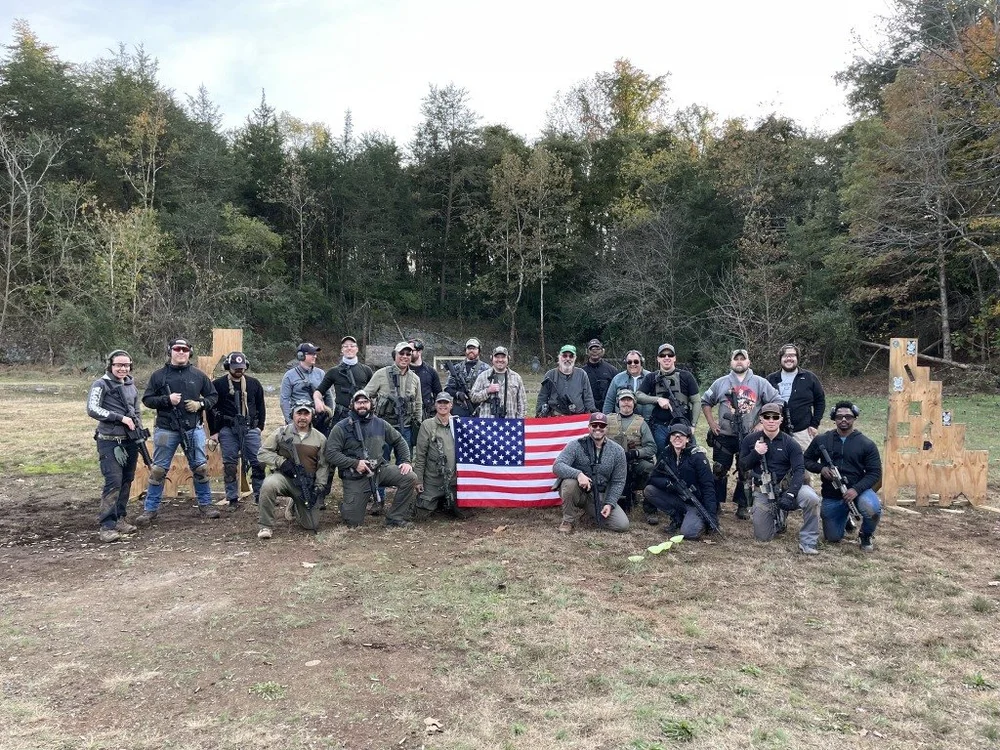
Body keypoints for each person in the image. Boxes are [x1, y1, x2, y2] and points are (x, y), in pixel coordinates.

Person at [136, 338, 220, 527]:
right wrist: (167, 400)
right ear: (170, 351)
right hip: (165, 429)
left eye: (185, 349)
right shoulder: (158, 376)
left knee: (200, 468)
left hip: (193, 428)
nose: (181, 352)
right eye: (177, 349)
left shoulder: (198, 375)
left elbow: (213, 396)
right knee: (158, 470)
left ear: (190, 352)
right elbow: (147, 399)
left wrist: (200, 404)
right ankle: (150, 509)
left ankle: (206, 505)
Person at [701, 349, 782, 520]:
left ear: (748, 362)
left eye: (742, 358)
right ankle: (715, 503)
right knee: (718, 470)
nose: (739, 361)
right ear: (731, 362)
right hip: (724, 436)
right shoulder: (720, 383)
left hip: (749, 436)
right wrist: (711, 423)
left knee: (746, 472)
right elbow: (706, 401)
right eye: (735, 359)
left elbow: (777, 402)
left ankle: (742, 505)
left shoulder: (760, 382)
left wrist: (761, 424)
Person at [324, 391, 417, 528]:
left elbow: (399, 441)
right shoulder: (341, 427)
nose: (362, 405)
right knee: (353, 522)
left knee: (410, 477)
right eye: (358, 402)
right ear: (352, 405)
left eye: (365, 402)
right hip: (356, 476)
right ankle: (347, 505)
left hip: (379, 470)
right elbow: (331, 453)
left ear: (371, 404)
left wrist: (406, 461)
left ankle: (395, 518)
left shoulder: (381, 423)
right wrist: (355, 463)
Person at [738, 402, 821, 554]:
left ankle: (808, 541)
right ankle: (777, 517)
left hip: (787, 488)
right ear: (761, 419)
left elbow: (799, 470)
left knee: (812, 499)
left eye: (775, 417)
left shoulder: (791, 443)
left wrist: (791, 494)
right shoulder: (750, 440)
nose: (771, 420)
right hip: (764, 491)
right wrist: (756, 453)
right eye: (767, 417)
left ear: (781, 419)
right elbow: (742, 466)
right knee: (763, 537)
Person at [803, 401, 883, 551]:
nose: (844, 420)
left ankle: (866, 535)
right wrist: (821, 469)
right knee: (832, 538)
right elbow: (806, 460)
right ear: (834, 418)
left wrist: (856, 490)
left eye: (848, 416)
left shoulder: (867, 444)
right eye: (839, 417)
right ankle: (845, 518)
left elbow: (874, 473)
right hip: (832, 495)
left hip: (858, 491)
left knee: (872, 509)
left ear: (855, 418)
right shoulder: (822, 439)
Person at [87, 349, 144, 542]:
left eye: (126, 365)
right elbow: (92, 409)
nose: (123, 368)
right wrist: (119, 418)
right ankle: (107, 526)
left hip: (130, 440)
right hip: (109, 441)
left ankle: (120, 518)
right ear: (110, 365)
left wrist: (139, 430)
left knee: (127, 480)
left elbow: (136, 411)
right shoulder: (100, 384)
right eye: (119, 365)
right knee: (113, 482)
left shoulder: (131, 385)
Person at [255, 400, 330, 539]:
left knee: (310, 525)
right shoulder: (281, 433)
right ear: (292, 415)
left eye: (306, 414)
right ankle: (265, 526)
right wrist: (281, 463)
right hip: (284, 478)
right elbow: (262, 453)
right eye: (299, 413)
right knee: (269, 484)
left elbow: (323, 466)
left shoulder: (320, 438)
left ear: (312, 415)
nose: (302, 417)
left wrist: (319, 487)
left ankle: (295, 505)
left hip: (306, 483)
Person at [553, 412, 630, 533]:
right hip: (580, 492)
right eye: (594, 425)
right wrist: (578, 474)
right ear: (589, 427)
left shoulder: (617, 451)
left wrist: (610, 503)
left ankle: (590, 515)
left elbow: (618, 481)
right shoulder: (576, 445)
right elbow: (557, 466)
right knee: (569, 483)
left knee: (622, 525)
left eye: (602, 425)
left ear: (607, 428)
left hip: (600, 494)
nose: (598, 428)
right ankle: (568, 520)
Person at [208, 351, 266, 510]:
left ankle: (260, 496)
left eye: (242, 367)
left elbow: (261, 406)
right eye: (235, 367)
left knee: (258, 463)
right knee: (230, 465)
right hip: (228, 429)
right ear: (228, 367)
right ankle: (232, 498)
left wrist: (259, 427)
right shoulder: (218, 385)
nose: (239, 370)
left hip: (250, 428)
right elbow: (210, 409)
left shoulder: (254, 384)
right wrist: (214, 431)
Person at [642, 423, 717, 539]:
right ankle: (677, 516)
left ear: (687, 439)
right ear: (670, 438)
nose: (677, 438)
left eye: (681, 435)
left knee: (688, 533)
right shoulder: (666, 453)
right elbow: (653, 477)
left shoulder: (698, 457)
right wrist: (668, 484)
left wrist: (711, 516)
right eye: (674, 435)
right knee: (649, 490)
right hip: (677, 498)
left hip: (695, 502)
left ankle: (698, 519)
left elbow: (708, 487)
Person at [635, 342, 701, 457]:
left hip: (683, 425)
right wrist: (657, 400)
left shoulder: (686, 376)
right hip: (660, 427)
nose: (666, 357)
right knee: (663, 459)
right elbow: (638, 395)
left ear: (674, 358)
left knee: (690, 457)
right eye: (663, 355)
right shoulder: (651, 377)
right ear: (658, 359)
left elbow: (696, 401)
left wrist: (693, 425)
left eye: (670, 355)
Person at [766, 343, 826, 466]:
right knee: (777, 466)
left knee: (803, 467)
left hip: (802, 431)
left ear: (797, 358)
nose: (789, 358)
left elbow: (820, 401)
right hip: (775, 431)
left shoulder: (809, 378)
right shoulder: (770, 379)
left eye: (792, 355)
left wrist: (814, 424)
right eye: (785, 356)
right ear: (780, 359)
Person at [605, 390, 656, 513]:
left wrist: (636, 453)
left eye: (629, 400)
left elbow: (652, 447)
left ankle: (650, 508)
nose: (626, 403)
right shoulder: (607, 420)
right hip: (611, 462)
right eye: (623, 400)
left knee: (651, 470)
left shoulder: (641, 423)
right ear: (618, 402)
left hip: (635, 461)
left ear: (634, 403)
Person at [412, 392, 461, 519]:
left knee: (464, 513)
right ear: (435, 405)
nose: (443, 405)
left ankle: (445, 500)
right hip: (433, 480)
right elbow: (420, 455)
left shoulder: (459, 423)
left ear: (451, 405)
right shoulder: (427, 425)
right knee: (421, 514)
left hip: (455, 480)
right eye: (440, 402)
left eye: (446, 403)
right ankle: (438, 500)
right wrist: (418, 480)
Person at [364, 341, 423, 447]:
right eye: (401, 353)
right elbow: (365, 395)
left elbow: (418, 404)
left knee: (406, 457)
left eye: (408, 354)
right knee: (381, 457)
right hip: (383, 427)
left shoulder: (415, 378)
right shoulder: (380, 374)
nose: (405, 356)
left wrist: (417, 424)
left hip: (406, 428)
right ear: (394, 355)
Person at [314, 336, 373, 422]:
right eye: (346, 346)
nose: (349, 348)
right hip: (341, 417)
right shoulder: (333, 371)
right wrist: (317, 400)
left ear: (357, 349)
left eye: (352, 346)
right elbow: (319, 391)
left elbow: (375, 393)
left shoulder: (366, 370)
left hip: (362, 415)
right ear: (342, 350)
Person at [280, 342, 332, 433]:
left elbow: (329, 397)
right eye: (311, 354)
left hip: (320, 420)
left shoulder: (321, 373)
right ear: (301, 356)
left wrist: (330, 417)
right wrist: (290, 422)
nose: (315, 356)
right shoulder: (289, 376)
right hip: (300, 420)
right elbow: (284, 401)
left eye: (315, 354)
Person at [536, 345, 596, 417]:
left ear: (575, 358)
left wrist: (591, 415)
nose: (568, 359)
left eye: (571, 356)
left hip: (578, 417)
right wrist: (539, 413)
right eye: (564, 356)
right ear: (559, 357)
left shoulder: (582, 374)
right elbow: (542, 397)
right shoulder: (550, 375)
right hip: (556, 417)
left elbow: (588, 398)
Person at [469, 346, 527, 418]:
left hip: (510, 422)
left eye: (503, 357)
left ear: (508, 358)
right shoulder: (483, 376)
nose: (500, 360)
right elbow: (473, 397)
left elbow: (522, 404)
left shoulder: (516, 378)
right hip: (488, 423)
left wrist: (519, 421)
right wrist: (488, 391)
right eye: (497, 357)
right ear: (491, 358)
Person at [444, 337, 490, 417]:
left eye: (474, 348)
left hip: (480, 409)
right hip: (460, 409)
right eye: (469, 348)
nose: (471, 350)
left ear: (479, 351)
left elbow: (489, 391)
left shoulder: (486, 369)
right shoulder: (456, 368)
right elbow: (448, 388)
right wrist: (458, 394)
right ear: (465, 350)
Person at [603, 350, 652, 419]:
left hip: (647, 421)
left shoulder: (651, 377)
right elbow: (609, 402)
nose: (632, 364)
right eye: (629, 362)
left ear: (641, 362)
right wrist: (606, 420)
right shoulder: (617, 379)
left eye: (636, 361)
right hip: (622, 421)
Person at [408, 338, 442, 418]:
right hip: (407, 413)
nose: (408, 353)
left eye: (411, 350)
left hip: (426, 414)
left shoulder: (430, 371)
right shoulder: (403, 370)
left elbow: (438, 394)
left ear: (419, 351)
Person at [581, 339, 618, 410]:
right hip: (588, 411)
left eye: (597, 349)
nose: (595, 351)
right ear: (587, 351)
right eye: (592, 349)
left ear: (602, 351)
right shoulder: (582, 372)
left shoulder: (612, 370)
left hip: (608, 411)